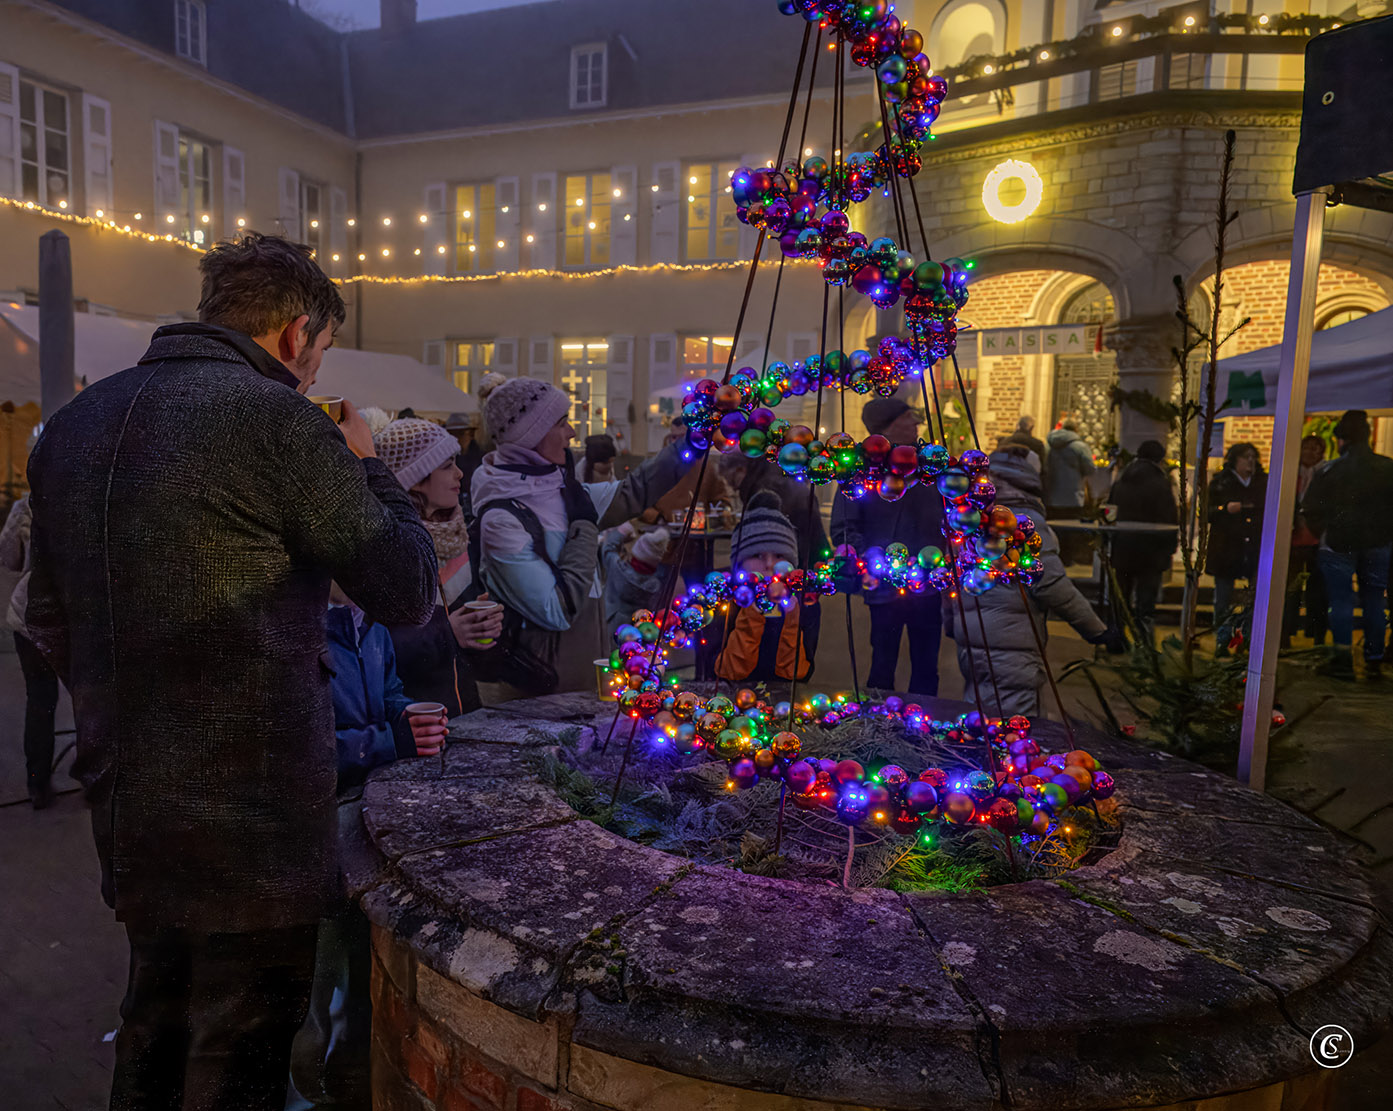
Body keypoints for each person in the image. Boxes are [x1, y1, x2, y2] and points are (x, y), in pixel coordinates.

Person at [23, 233, 439, 1111]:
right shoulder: (278, 420)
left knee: (154, 1016)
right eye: (319, 355)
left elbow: (45, 616)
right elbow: (404, 588)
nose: (316, 374)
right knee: (242, 1040)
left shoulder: (73, 424)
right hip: (253, 810)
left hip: (127, 789)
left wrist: (116, 710)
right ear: (295, 336)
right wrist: (369, 463)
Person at [287, 585, 443, 1110]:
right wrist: (388, 740)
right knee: (319, 977)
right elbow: (298, 743)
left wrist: (407, 717)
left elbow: (391, 688)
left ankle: (342, 1082)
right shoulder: (301, 626)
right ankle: (307, 1089)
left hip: (358, 821)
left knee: (354, 969)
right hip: (313, 832)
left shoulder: (368, 622)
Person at [469, 377, 689, 699]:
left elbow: (634, 492)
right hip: (541, 696)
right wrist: (585, 525)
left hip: (585, 680)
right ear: (532, 435)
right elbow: (557, 609)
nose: (572, 433)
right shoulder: (500, 518)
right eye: (562, 423)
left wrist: (693, 444)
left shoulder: (563, 491)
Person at [947, 446, 1118, 717]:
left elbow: (952, 575)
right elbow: (1050, 583)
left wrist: (950, 621)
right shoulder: (1024, 521)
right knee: (1016, 725)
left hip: (971, 635)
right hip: (1012, 639)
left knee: (979, 713)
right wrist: (1097, 630)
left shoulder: (969, 515)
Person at [375, 419, 503, 715]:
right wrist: (449, 633)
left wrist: (483, 628)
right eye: (447, 465)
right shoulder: (384, 547)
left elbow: (465, 655)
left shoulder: (456, 536)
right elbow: (374, 650)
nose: (460, 473)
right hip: (414, 720)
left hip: (463, 714)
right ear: (415, 477)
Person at [831, 396, 945, 697]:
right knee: (882, 663)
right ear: (890, 426)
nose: (917, 423)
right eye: (910, 417)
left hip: (928, 586)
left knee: (926, 667)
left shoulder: (929, 468)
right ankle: (878, 727)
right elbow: (844, 527)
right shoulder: (861, 472)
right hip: (883, 588)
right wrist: (867, 557)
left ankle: (923, 730)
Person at [1302, 410, 1393, 678]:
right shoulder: (1388, 468)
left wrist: (1323, 532)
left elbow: (1311, 509)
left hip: (1339, 542)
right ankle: (1373, 658)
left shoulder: (1330, 471)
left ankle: (1342, 658)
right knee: (1374, 600)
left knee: (1341, 600)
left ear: (1342, 440)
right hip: (1378, 542)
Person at [714, 491, 819, 688]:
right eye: (758, 556)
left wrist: (791, 616)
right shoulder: (724, 600)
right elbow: (728, 670)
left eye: (779, 555)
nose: (770, 565)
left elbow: (798, 672)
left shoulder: (805, 602)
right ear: (740, 563)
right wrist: (752, 611)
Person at [0, 488, 62, 808]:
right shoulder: (82, 496)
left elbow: (8, 559)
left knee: (41, 699)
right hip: (62, 618)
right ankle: (96, 777)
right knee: (87, 696)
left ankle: (37, 784)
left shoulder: (31, 502)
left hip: (38, 616)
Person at [1107, 440, 1178, 634]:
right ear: (1159, 459)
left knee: (1121, 598)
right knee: (1145, 603)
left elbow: (1109, 511)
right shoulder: (1160, 484)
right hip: (1150, 552)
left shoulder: (1122, 480)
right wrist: (1170, 547)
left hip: (1123, 548)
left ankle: (1116, 637)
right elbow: (1169, 518)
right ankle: (1145, 647)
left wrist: (1110, 539)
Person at [1205, 442, 1267, 654]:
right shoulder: (1221, 482)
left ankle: (1247, 640)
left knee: (1253, 598)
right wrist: (1225, 509)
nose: (1250, 461)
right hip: (1227, 548)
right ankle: (1223, 641)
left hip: (1253, 548)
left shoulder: (1262, 482)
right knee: (1223, 598)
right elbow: (1208, 512)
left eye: (1253, 457)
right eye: (1245, 457)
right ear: (1235, 460)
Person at [1285, 434, 1328, 647]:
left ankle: (1316, 635)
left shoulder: (1325, 475)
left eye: (1315, 449)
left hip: (1316, 541)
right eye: (1307, 448)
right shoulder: (1291, 473)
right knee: (1291, 589)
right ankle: (1286, 633)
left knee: (1317, 592)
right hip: (1292, 540)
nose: (1310, 452)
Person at [600, 524, 671, 634]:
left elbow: (608, 549)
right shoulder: (656, 586)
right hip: (638, 632)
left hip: (610, 625)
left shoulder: (617, 569)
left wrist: (621, 533)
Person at [1045, 419, 1096, 508]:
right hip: (1073, 494)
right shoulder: (1081, 447)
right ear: (1076, 429)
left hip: (1052, 493)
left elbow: (1044, 465)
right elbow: (1090, 469)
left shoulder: (1049, 445)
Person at [446, 410, 484, 515]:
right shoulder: (444, 460)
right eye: (452, 434)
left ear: (470, 435)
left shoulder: (481, 458)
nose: (457, 438)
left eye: (461, 434)